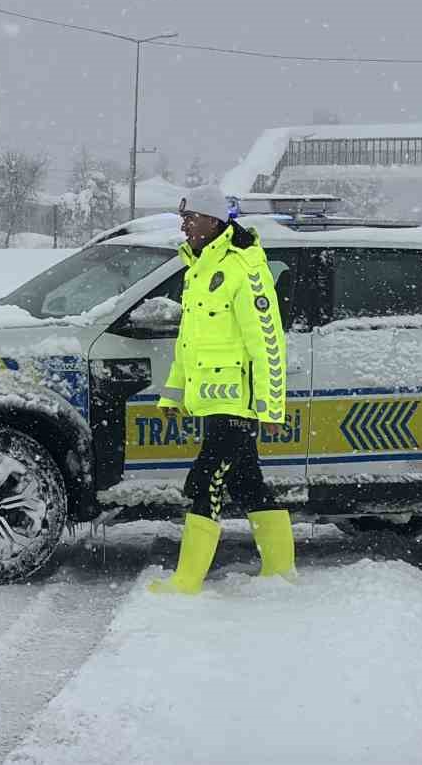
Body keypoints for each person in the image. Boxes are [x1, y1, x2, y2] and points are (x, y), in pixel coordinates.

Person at [149, 201, 295, 594]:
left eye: (189, 218)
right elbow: (189, 343)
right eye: (182, 218)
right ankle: (281, 571)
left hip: (238, 402)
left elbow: (267, 342)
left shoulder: (244, 267)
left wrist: (270, 406)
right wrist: (173, 393)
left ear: (213, 221)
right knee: (248, 483)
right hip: (211, 399)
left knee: (204, 481)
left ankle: (186, 581)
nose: (183, 226)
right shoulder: (198, 269)